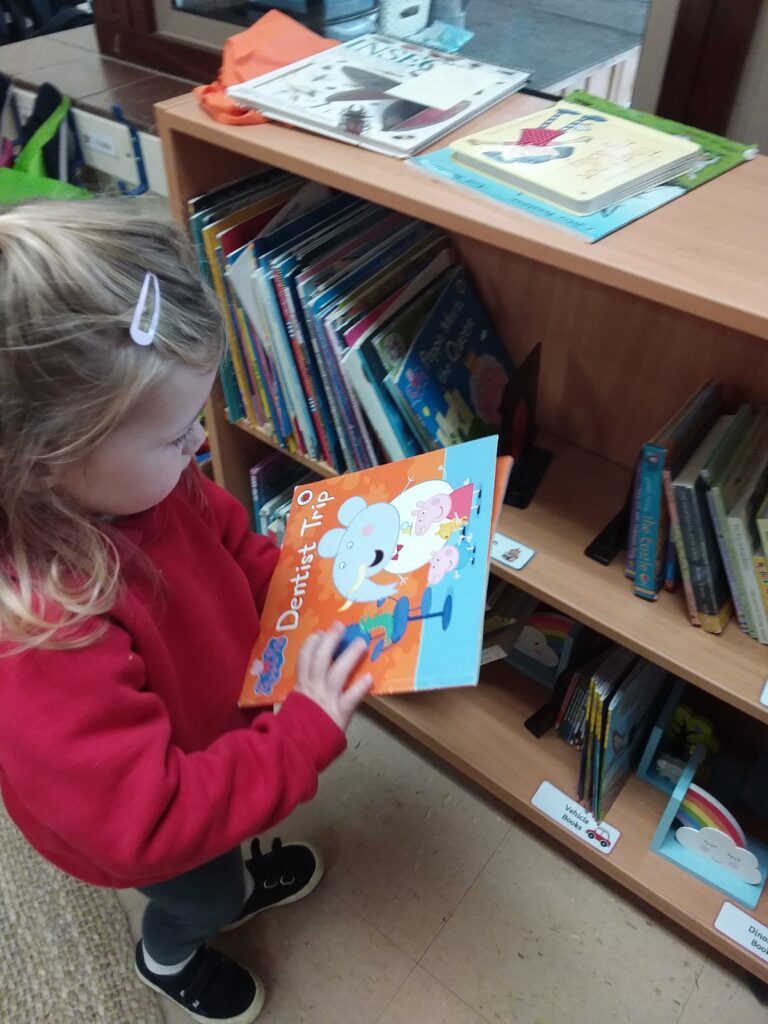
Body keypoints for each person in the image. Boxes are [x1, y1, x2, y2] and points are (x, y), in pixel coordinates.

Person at [0, 198, 373, 1024]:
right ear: (47, 464)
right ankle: (168, 955)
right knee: (196, 889)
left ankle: (235, 875)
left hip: (207, 736)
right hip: (148, 815)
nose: (201, 445)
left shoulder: (146, 487)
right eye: (175, 438)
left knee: (224, 847)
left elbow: (231, 542)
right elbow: (153, 819)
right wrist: (306, 728)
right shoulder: (41, 633)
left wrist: (303, 591)